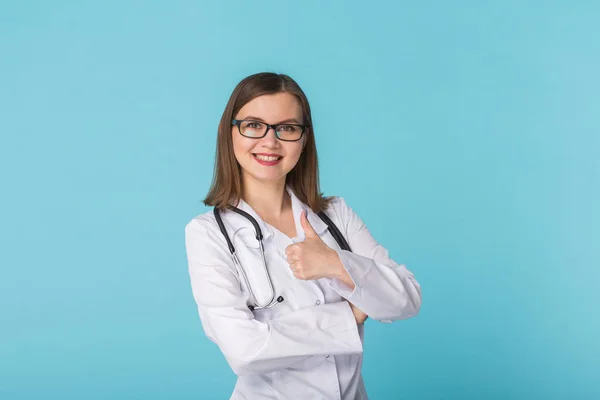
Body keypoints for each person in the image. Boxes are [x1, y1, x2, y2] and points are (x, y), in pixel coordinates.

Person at [184, 72, 422, 400]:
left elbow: (406, 298)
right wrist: (351, 314)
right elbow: (244, 351)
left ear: (304, 138)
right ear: (230, 132)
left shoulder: (336, 214)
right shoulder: (209, 234)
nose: (270, 141)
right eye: (254, 125)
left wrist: (336, 263)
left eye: (287, 128)